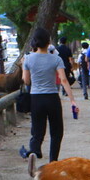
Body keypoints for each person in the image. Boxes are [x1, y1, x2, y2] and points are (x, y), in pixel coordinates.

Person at [19, 28, 77, 162]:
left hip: (36, 98)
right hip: (52, 98)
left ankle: (34, 151)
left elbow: (26, 81)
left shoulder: (28, 59)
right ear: (48, 42)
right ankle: (53, 161)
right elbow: (63, 80)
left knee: (37, 131)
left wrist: (23, 66)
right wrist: (72, 100)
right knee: (56, 132)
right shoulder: (56, 59)